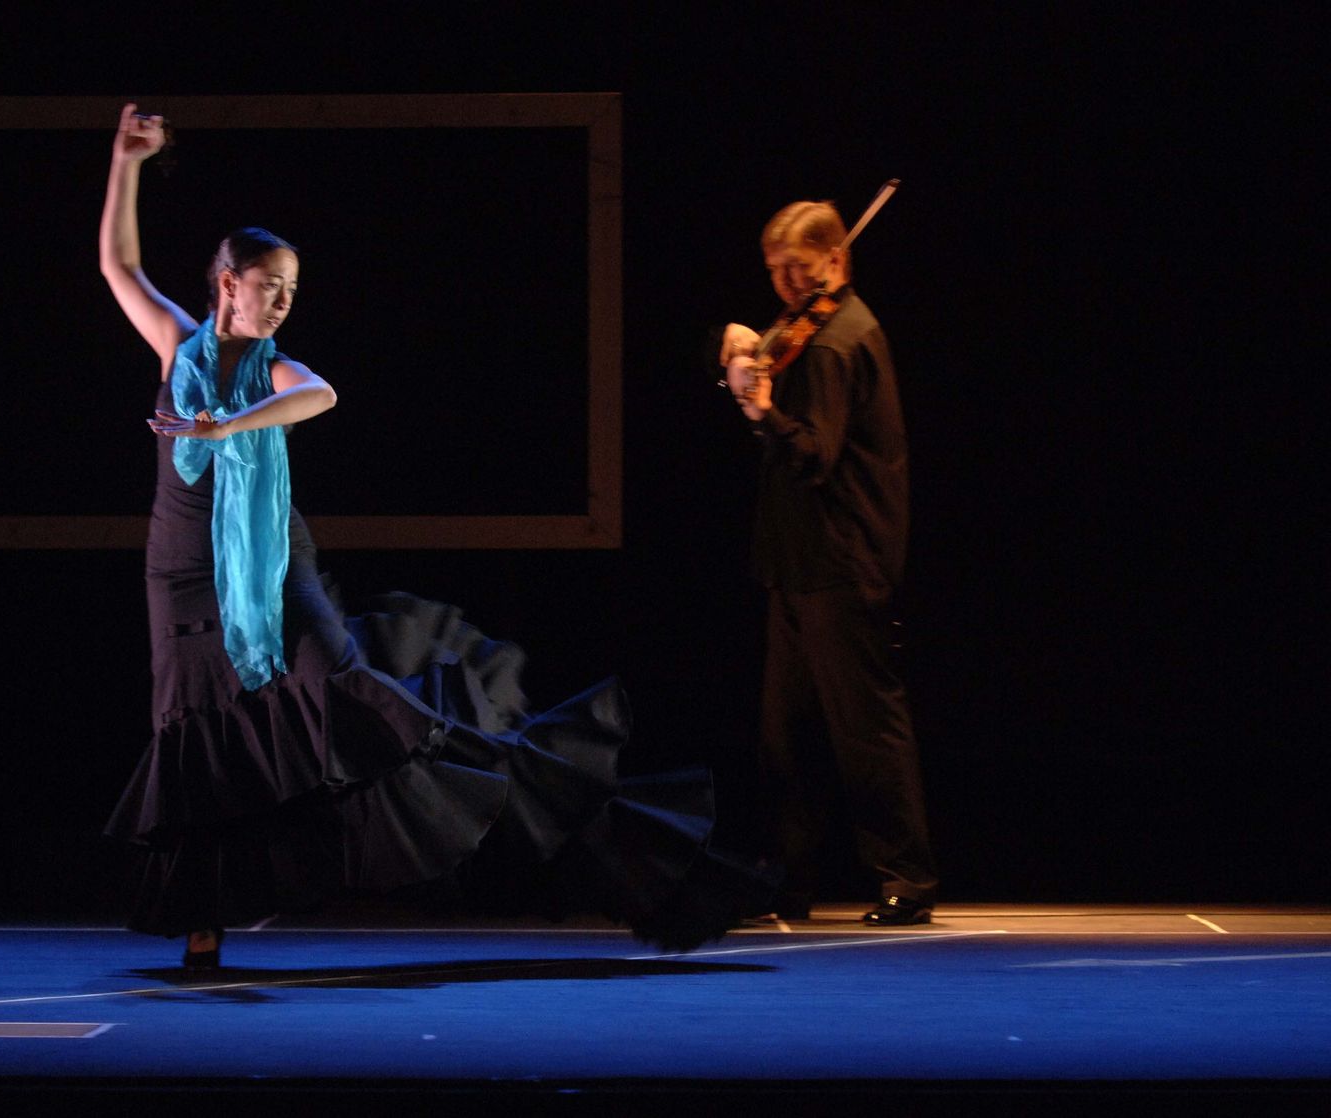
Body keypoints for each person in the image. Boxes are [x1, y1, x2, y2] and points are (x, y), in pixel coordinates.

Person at [98, 104, 768, 967]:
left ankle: (553, 821)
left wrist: (228, 430)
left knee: (373, 719)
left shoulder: (281, 372)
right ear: (227, 282)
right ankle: (206, 923)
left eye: (294, 291)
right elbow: (119, 264)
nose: (283, 301)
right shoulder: (175, 349)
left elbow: (320, 395)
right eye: (271, 285)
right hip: (182, 578)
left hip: (273, 577)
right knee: (200, 740)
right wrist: (127, 163)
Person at [720, 199, 937, 926]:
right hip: (797, 561)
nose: (785, 287)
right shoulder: (805, 330)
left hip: (844, 561)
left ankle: (906, 877)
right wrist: (743, 353)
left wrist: (761, 412)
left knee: (865, 727)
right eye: (775, 272)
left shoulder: (842, 340)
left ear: (835, 262)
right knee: (785, 734)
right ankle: (785, 879)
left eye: (797, 270)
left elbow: (813, 452)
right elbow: (768, 385)